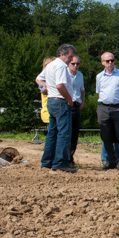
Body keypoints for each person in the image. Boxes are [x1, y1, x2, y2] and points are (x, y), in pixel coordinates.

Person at [40, 44, 76, 172]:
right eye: (70, 56)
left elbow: (39, 79)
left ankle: (46, 162)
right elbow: (60, 85)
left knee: (52, 133)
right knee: (64, 133)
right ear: (62, 54)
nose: (71, 59)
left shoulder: (50, 65)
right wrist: (69, 98)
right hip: (60, 102)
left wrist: (48, 87)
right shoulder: (61, 66)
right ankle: (60, 163)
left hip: (51, 101)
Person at [96, 52, 119, 170]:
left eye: (112, 60)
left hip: (118, 107)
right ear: (102, 63)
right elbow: (99, 92)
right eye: (107, 61)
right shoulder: (99, 76)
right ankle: (110, 161)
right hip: (103, 107)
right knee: (105, 136)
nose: (110, 62)